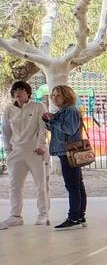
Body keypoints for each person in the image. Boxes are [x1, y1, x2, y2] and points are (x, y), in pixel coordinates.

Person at [2, 81, 50, 228]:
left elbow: (43, 128)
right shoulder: (9, 110)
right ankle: (15, 215)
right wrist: (9, 150)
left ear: (28, 92)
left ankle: (43, 214)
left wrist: (41, 146)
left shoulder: (38, 106)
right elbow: (6, 131)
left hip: (36, 151)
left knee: (41, 184)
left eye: (22, 90)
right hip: (16, 152)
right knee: (14, 185)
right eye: (15, 90)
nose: (18, 92)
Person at [41, 85, 87, 230]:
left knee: (73, 185)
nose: (54, 98)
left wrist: (53, 120)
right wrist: (50, 121)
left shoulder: (70, 110)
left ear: (66, 96)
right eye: (53, 95)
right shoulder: (63, 111)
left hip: (68, 152)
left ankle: (74, 218)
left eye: (58, 95)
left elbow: (69, 129)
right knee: (77, 184)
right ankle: (79, 216)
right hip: (66, 152)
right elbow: (60, 130)